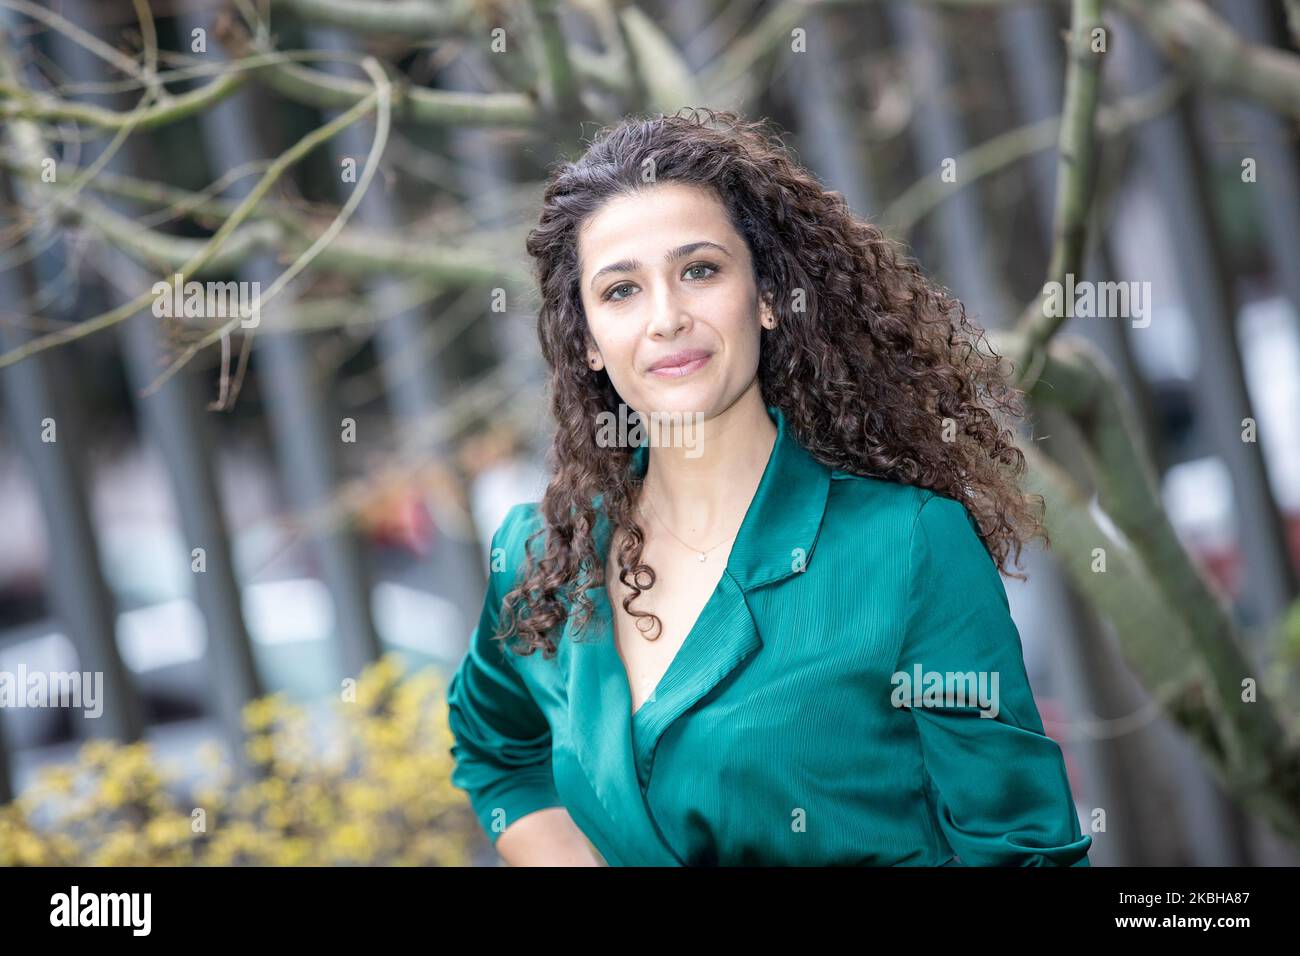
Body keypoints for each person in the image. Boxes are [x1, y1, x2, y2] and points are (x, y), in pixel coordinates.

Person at [445, 108, 1093, 867]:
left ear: (765, 296)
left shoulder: (906, 544)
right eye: (621, 291)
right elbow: (497, 754)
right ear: (586, 338)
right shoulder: (541, 556)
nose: (666, 317)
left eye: (699, 271)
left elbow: (1024, 852)